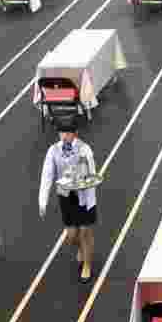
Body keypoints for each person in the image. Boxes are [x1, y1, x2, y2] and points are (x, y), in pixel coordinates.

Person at [39, 116, 99, 284]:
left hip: (84, 197)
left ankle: (87, 265)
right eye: (61, 132)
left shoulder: (84, 149)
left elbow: (91, 172)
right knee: (72, 236)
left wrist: (84, 180)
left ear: (75, 133)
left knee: (86, 232)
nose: (64, 136)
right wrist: (42, 201)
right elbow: (47, 175)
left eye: (68, 132)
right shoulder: (53, 151)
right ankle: (80, 247)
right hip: (66, 197)